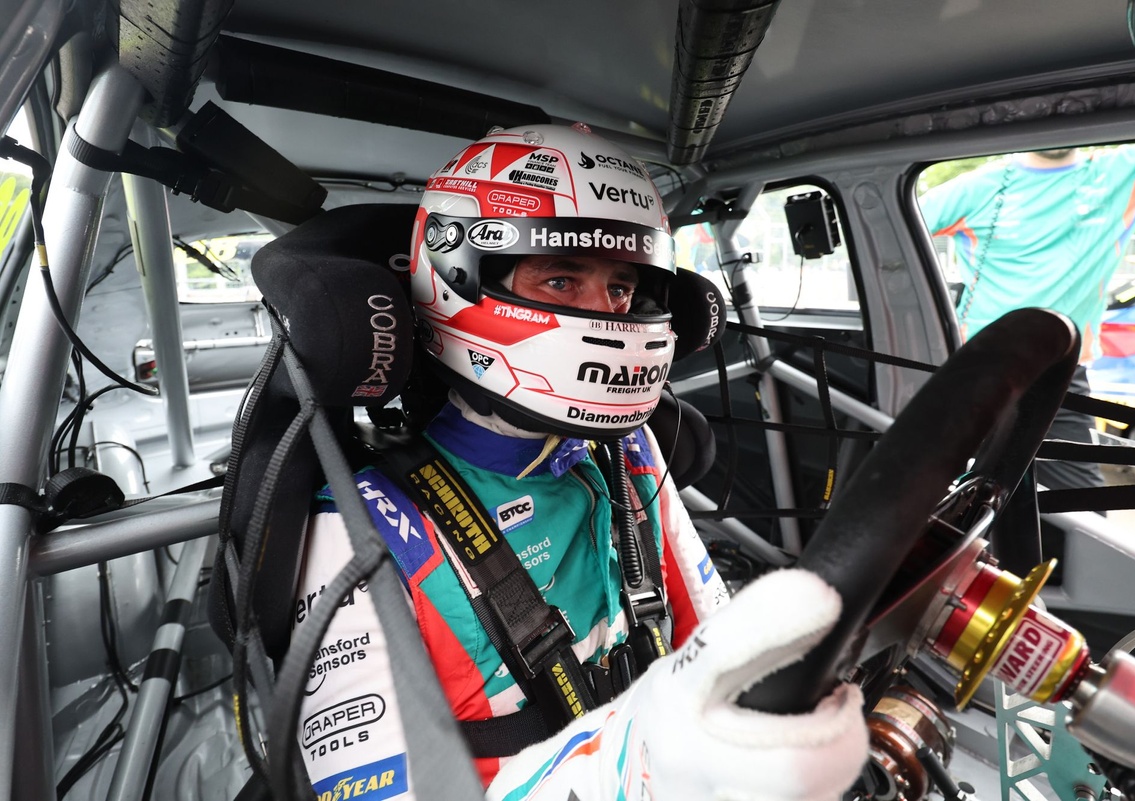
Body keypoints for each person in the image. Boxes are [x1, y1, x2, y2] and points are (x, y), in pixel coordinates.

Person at [292, 124, 868, 801]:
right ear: (459, 281)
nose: (607, 314)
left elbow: (707, 629)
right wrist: (625, 771)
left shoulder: (629, 450)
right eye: (563, 279)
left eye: (622, 287)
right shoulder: (363, 524)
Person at [919, 144, 1135, 491]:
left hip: (1060, 376)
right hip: (978, 368)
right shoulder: (976, 188)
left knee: (1081, 504)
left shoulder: (1124, 172)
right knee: (936, 494)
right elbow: (883, 234)